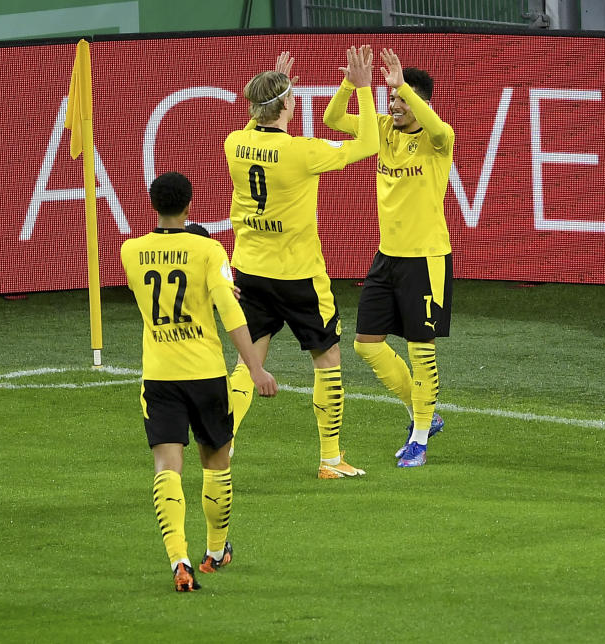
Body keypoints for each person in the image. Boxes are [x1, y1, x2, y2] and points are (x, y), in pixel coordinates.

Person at [222, 47, 378, 478]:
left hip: (250, 271)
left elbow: (255, 126)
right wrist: (361, 87)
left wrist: (272, 84)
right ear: (288, 104)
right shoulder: (302, 152)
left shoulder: (234, 144)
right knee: (327, 359)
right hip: (299, 276)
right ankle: (330, 459)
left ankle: (224, 443)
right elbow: (369, 142)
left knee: (245, 363)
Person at [120, 171, 277, 592]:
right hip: (206, 375)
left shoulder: (130, 251)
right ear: (190, 206)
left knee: (166, 467)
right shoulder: (208, 249)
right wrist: (256, 369)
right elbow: (230, 311)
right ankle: (215, 551)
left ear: (153, 205)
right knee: (217, 463)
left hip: (160, 377)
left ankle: (178, 560)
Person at [323, 48, 453, 468]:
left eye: (401, 99)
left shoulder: (438, 140)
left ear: (420, 102)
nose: (393, 105)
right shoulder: (382, 130)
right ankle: (424, 414)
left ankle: (418, 440)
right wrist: (351, 83)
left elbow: (437, 126)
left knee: (422, 349)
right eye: (392, 99)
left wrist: (403, 88)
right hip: (387, 257)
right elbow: (332, 119)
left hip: (426, 258)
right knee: (365, 344)